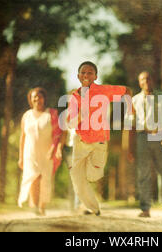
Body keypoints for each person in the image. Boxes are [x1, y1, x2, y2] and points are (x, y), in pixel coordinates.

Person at [62, 61, 132, 216]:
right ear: (78, 76)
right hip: (81, 142)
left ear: (95, 76)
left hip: (99, 142)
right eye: (83, 73)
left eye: (90, 73)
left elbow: (127, 90)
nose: (86, 75)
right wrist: (82, 114)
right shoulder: (74, 97)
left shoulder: (103, 90)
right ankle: (93, 208)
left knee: (93, 175)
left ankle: (86, 178)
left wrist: (129, 110)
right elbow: (71, 122)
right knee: (78, 181)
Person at [127, 71, 162, 218]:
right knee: (144, 173)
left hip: (159, 135)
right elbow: (131, 126)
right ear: (139, 83)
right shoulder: (134, 100)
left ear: (152, 80)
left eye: (148, 78)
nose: (146, 81)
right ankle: (145, 208)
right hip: (142, 137)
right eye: (142, 79)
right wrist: (130, 148)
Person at [18, 87, 62, 216]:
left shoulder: (52, 114)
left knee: (45, 179)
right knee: (33, 178)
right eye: (34, 97)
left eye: (40, 96)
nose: (37, 99)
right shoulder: (26, 116)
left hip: (47, 153)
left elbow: (57, 134)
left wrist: (53, 149)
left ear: (44, 98)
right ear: (30, 100)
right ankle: (35, 206)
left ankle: (42, 206)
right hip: (30, 153)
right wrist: (20, 157)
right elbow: (23, 137)